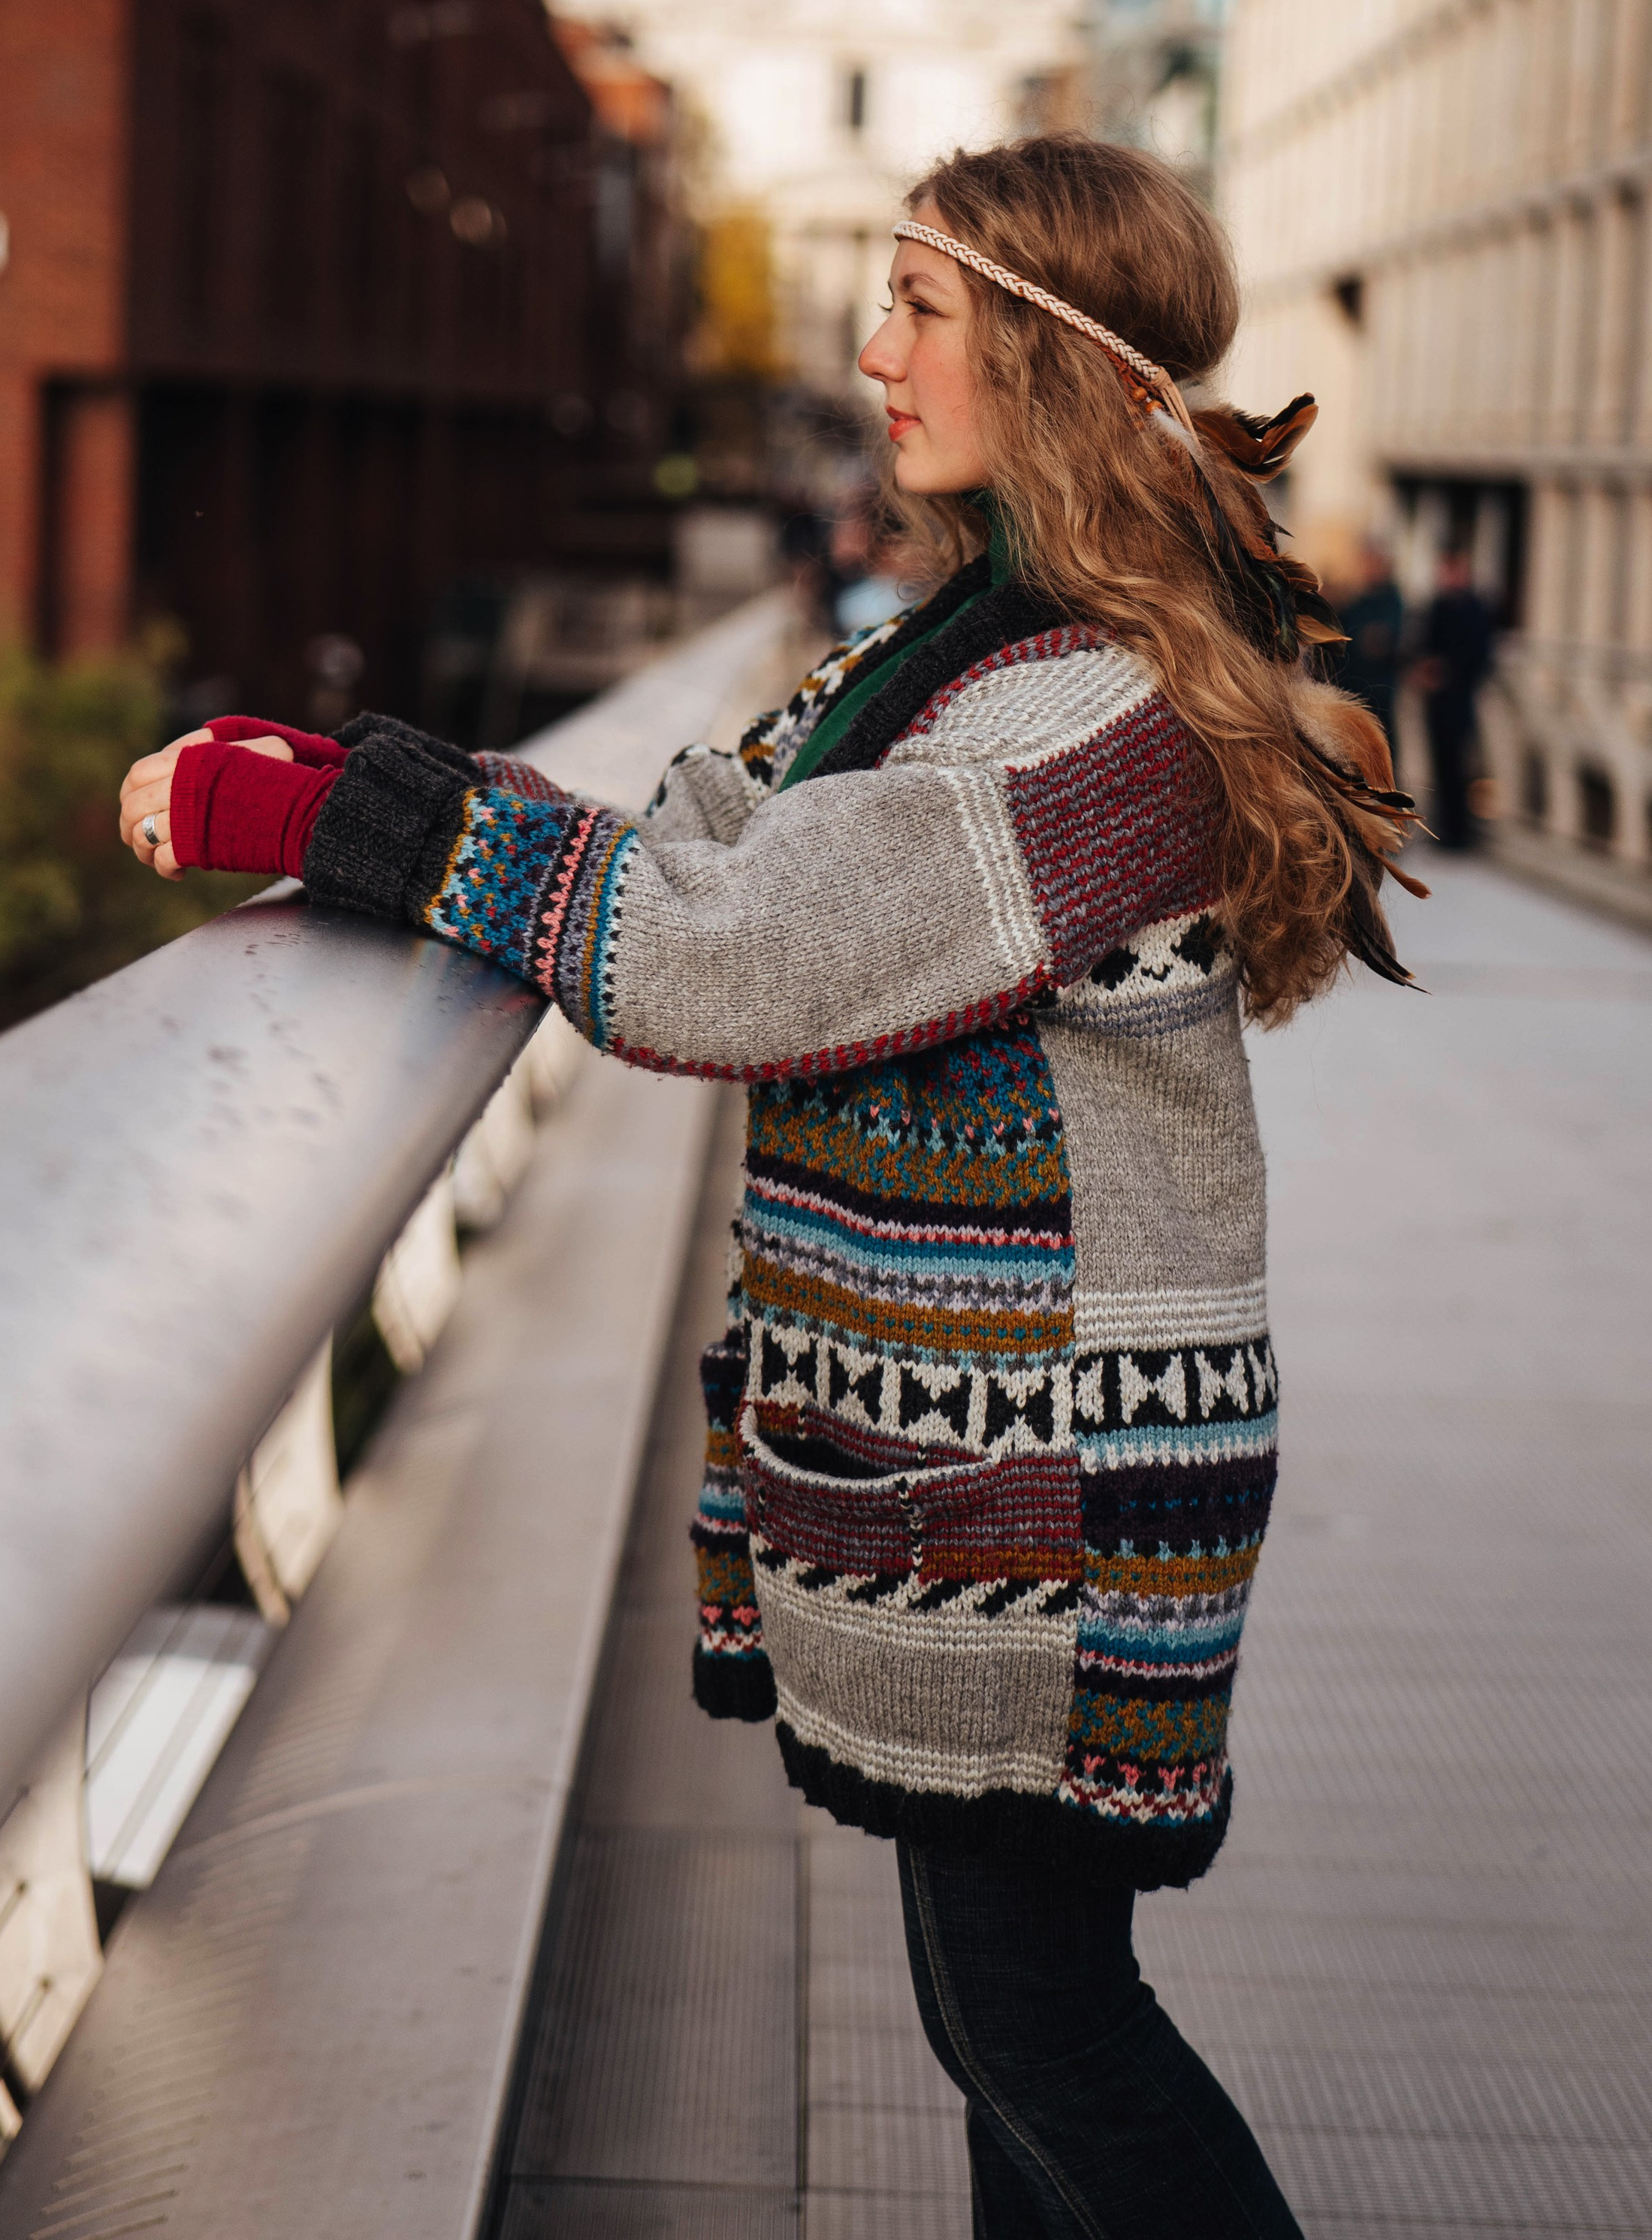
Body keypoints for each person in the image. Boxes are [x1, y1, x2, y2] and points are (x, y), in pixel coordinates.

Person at [119, 134, 1418, 2238]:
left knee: (1040, 2030)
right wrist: (397, 783)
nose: (871, 348)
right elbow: (725, 838)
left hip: (1058, 1482)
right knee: (1015, 2025)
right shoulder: (974, 650)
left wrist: (333, 821)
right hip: (1004, 1464)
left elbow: (714, 957)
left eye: (922, 311)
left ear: (1052, 363)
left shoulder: (1083, 715)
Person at [1413, 546, 1496, 851]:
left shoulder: (1473, 608)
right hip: (1436, 702)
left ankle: (1461, 833)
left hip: (1459, 701)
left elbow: (1480, 657)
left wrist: (1449, 673)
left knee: (1460, 766)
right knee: (1440, 766)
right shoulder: (1437, 606)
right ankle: (1445, 829)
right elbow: (1422, 646)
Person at [1337, 541, 1404, 780]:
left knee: (1383, 752)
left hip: (1380, 690)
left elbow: (1381, 642)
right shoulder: (1356, 602)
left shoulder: (1391, 600)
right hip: (1355, 687)